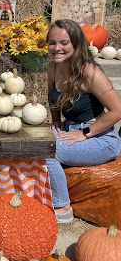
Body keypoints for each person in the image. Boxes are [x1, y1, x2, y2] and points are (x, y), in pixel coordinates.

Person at [46, 19, 121, 223]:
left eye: (64, 43)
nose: (57, 48)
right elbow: (51, 97)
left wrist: (85, 133)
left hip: (101, 139)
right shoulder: (53, 68)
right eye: (52, 43)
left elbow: (117, 110)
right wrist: (55, 120)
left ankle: (63, 208)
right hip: (69, 129)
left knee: (46, 151)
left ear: (77, 43)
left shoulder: (89, 72)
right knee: (29, 143)